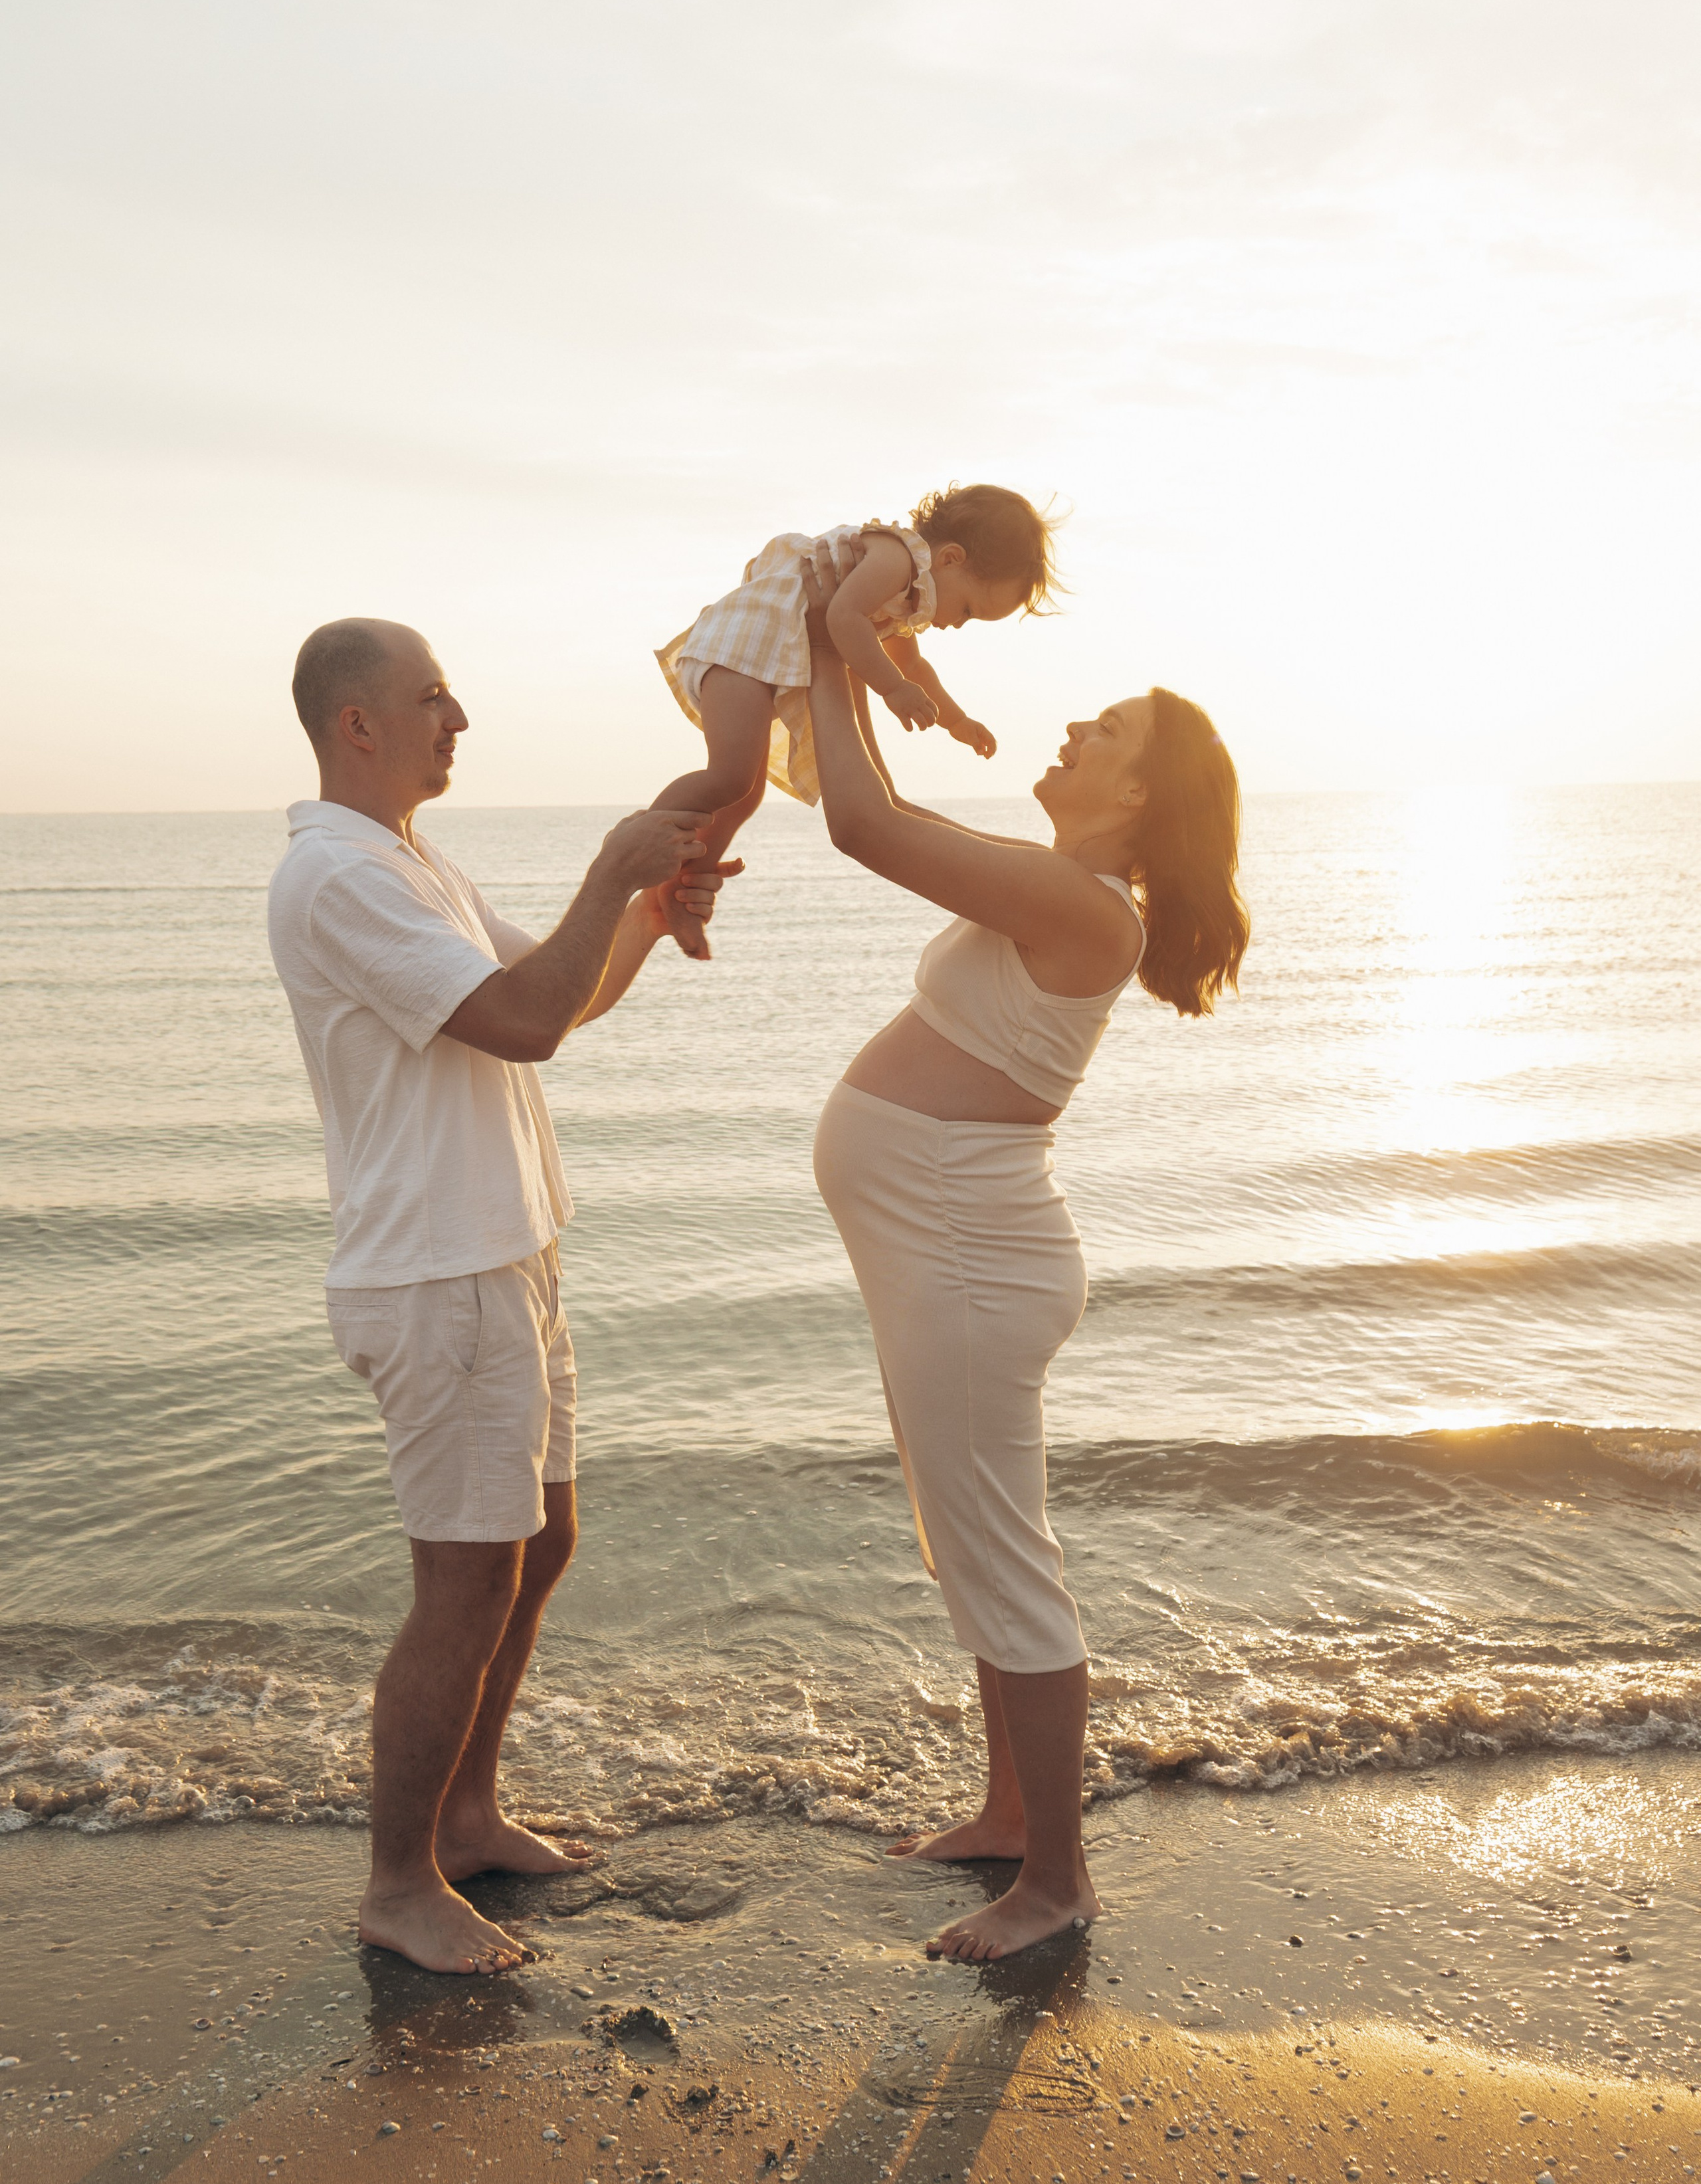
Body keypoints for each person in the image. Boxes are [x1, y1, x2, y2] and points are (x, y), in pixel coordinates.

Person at [267, 617, 731, 1974]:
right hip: (439, 1271)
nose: (456, 716)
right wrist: (609, 867)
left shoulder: (410, 861)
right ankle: (398, 1884)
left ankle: (465, 1818)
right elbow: (521, 1019)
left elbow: (555, 998)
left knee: (539, 1550)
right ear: (357, 723)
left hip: (506, 1257)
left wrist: (643, 914)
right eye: (430, 699)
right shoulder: (335, 878)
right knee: (463, 1584)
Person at [803, 567, 1249, 1962]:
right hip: (946, 1249)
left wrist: (833, 645)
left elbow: (862, 821)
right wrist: (853, 654)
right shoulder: (1061, 887)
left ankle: (1055, 1882)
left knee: (1002, 1556)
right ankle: (1008, 1815)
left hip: (969, 1256)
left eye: (1102, 733)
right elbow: (854, 806)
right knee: (968, 1544)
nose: (1072, 735)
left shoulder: (1086, 909)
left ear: (1135, 800)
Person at [649, 484, 1058, 955]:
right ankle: (637, 841)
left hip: (774, 655)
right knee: (729, 776)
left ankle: (681, 890)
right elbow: (843, 617)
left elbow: (914, 666)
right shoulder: (895, 558)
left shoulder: (910, 595)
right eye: (968, 609)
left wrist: (957, 721)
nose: (958, 624)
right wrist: (892, 689)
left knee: (744, 793)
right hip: (747, 641)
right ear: (950, 559)